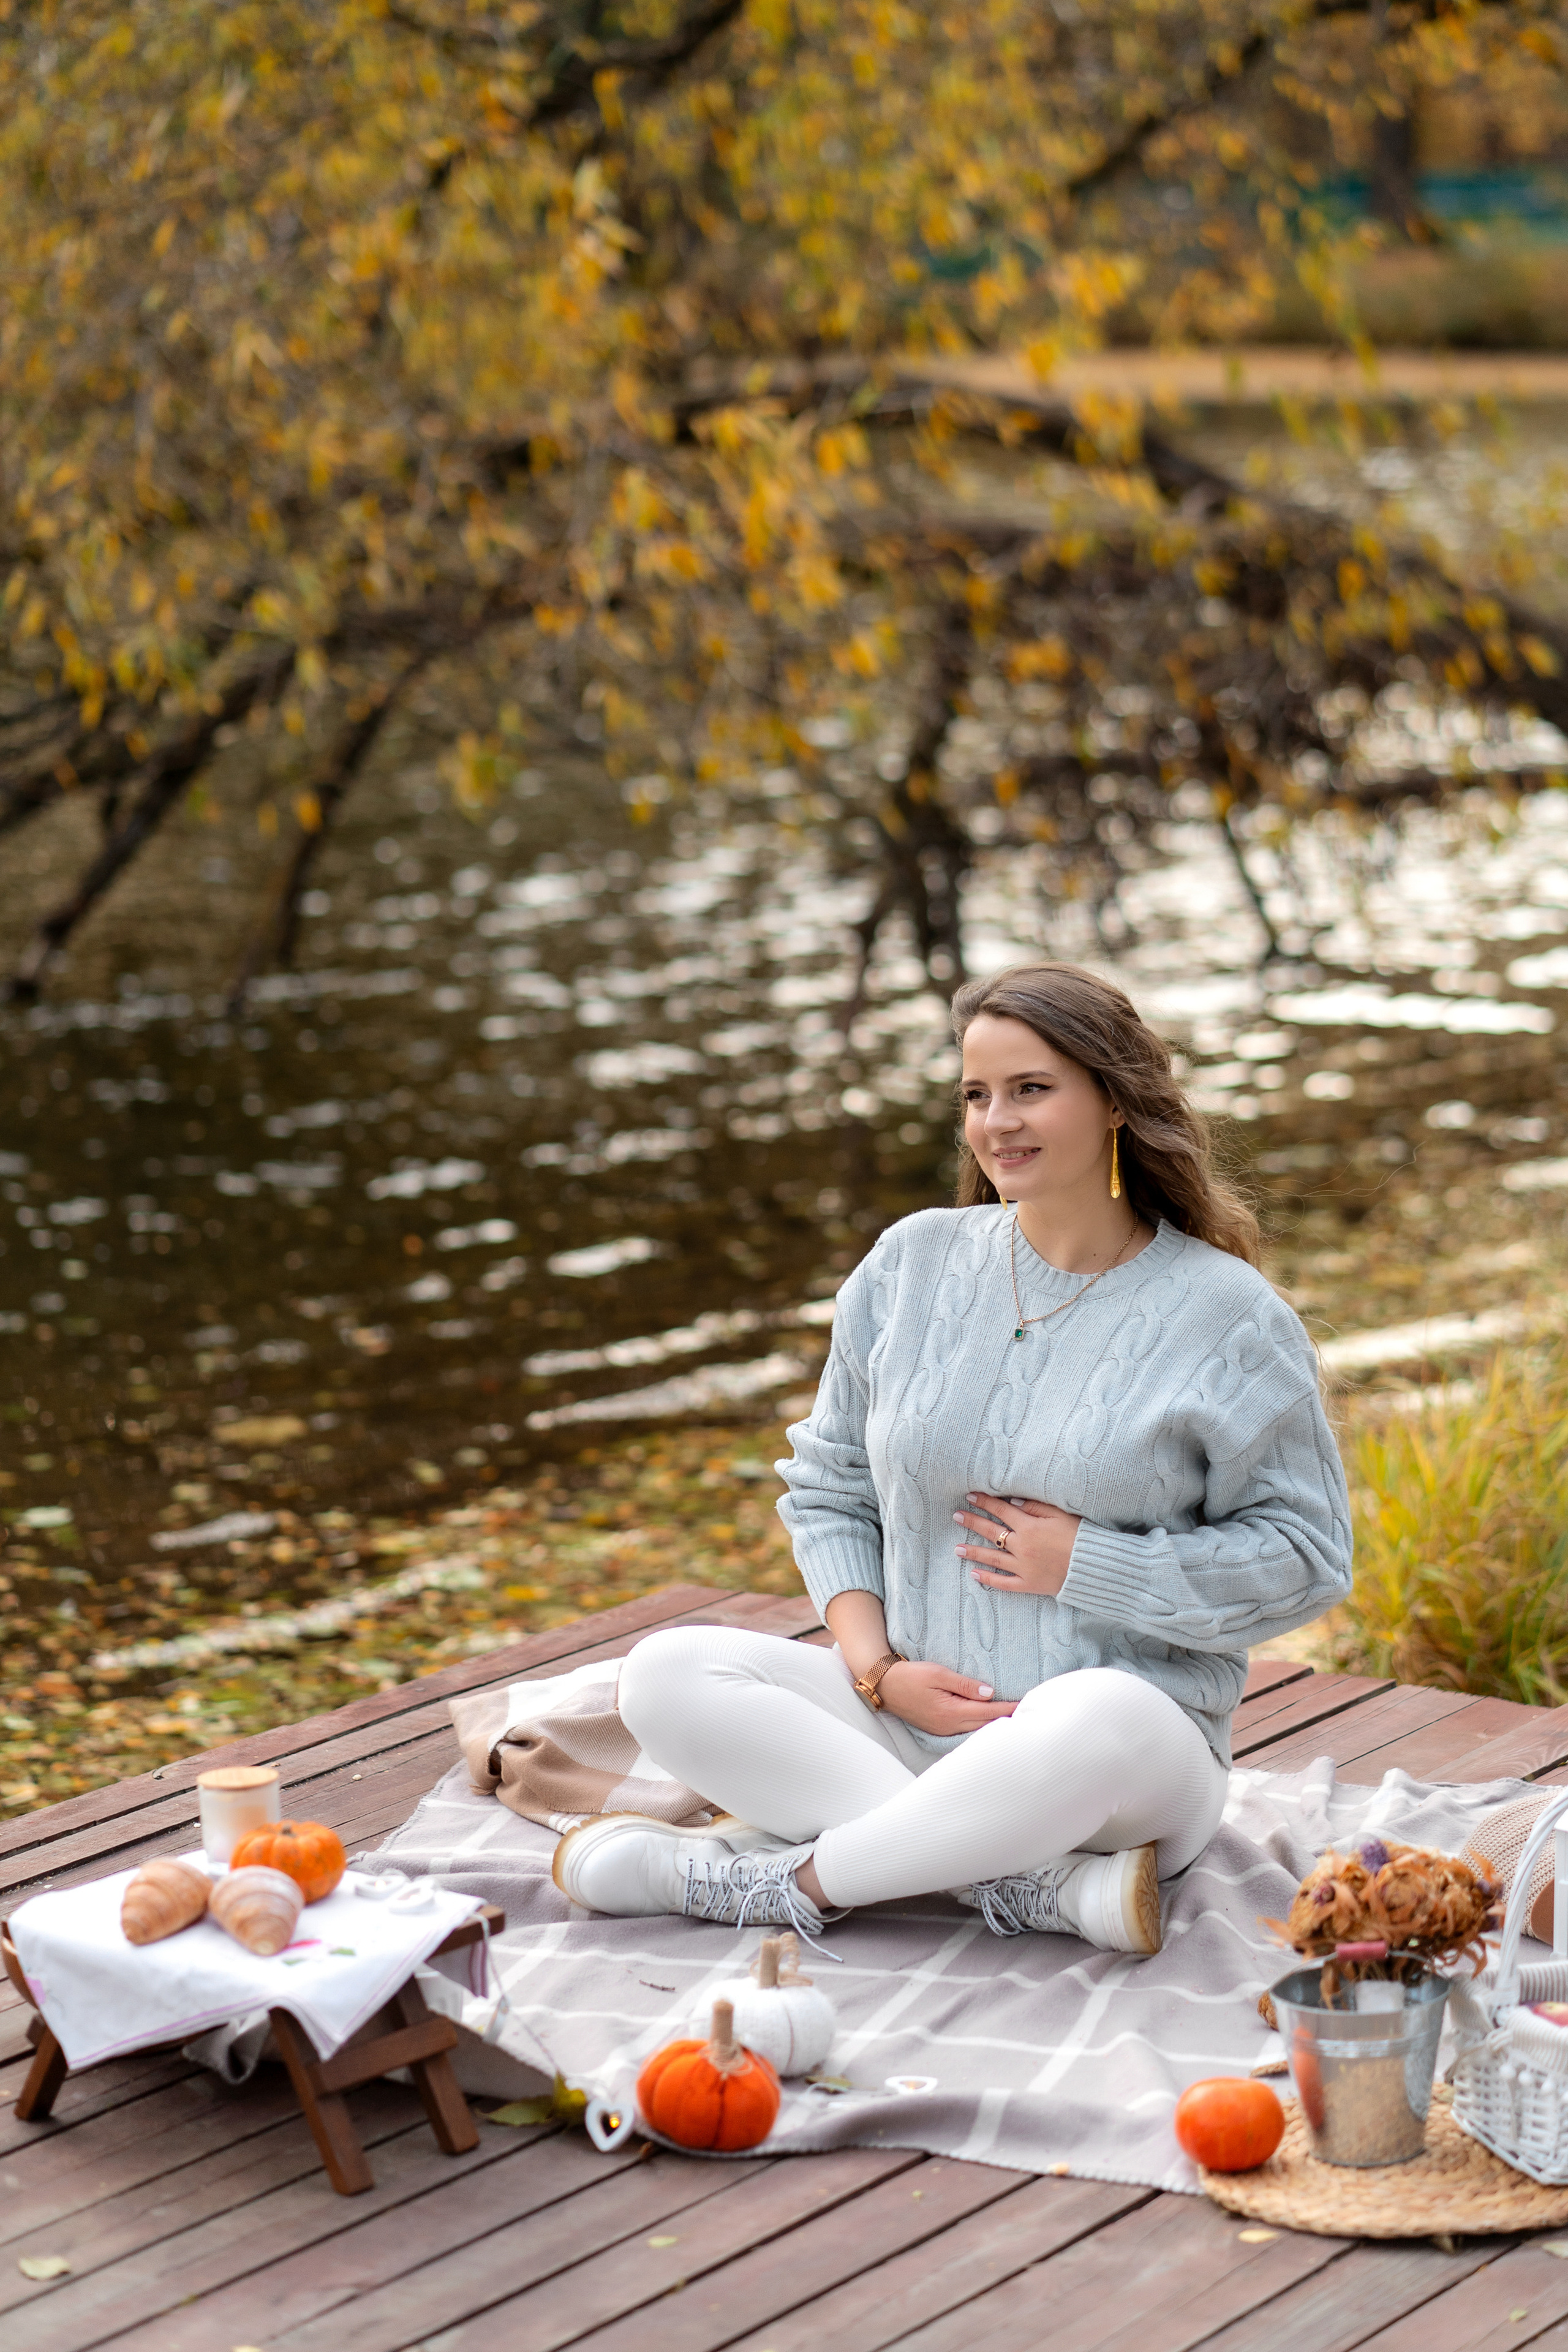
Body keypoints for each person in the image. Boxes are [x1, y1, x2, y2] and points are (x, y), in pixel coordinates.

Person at [552, 961, 1352, 1953]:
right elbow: (831, 1488)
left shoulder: (1228, 1316)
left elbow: (1307, 1557)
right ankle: (1026, 1887)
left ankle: (777, 1886)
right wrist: (878, 1669)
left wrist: (1090, 1564)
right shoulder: (912, 1265)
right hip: (908, 1729)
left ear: (1113, 1102)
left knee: (1086, 1710)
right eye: (976, 1095)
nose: (996, 1122)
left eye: (1031, 1089)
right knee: (666, 1672)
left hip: (1119, 1758)